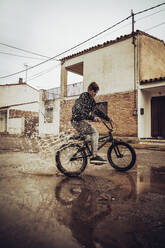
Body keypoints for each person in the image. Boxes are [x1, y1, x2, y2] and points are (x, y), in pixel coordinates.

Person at [71, 82, 110, 164]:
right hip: (77, 121)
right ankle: (94, 156)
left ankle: (84, 152)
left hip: (77, 121)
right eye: (95, 92)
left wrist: (107, 118)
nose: (95, 94)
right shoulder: (85, 96)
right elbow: (80, 111)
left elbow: (96, 111)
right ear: (91, 90)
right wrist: (92, 118)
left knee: (89, 138)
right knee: (95, 133)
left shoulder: (90, 99)